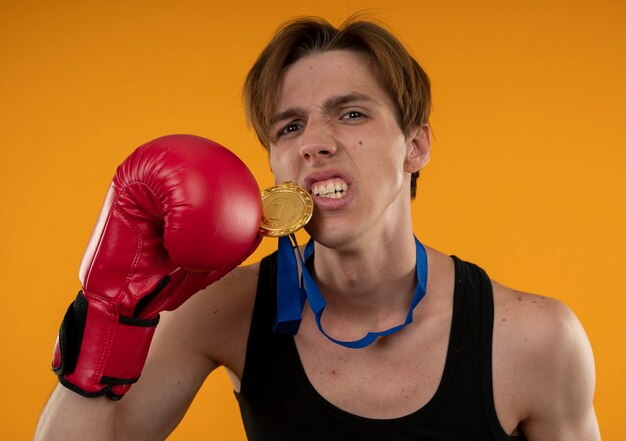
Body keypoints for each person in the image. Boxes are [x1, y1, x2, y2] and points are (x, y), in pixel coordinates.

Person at [35, 16, 600, 441]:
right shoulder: (222, 307)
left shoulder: (535, 339)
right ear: (275, 161)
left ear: (416, 146)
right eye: (289, 126)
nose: (314, 143)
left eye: (351, 113)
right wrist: (110, 314)